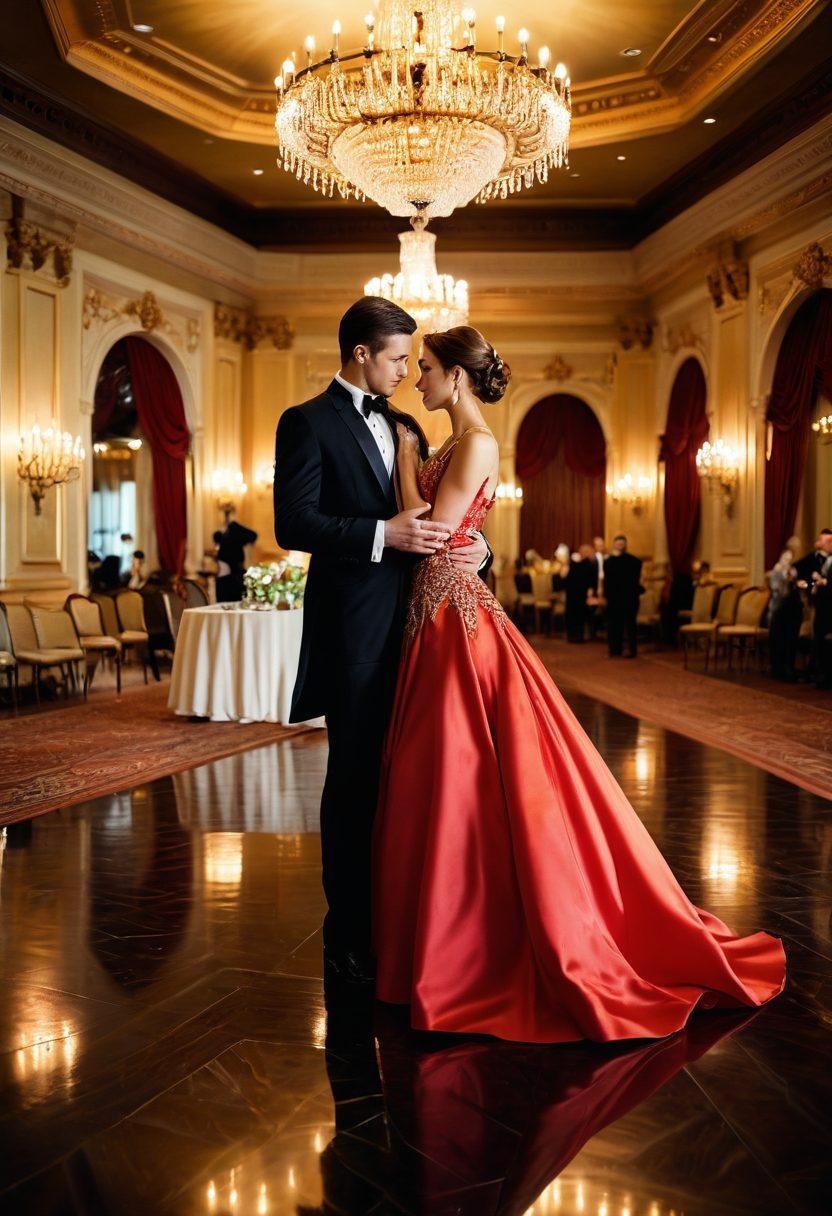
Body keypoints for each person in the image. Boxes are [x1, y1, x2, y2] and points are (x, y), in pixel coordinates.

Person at [373, 324, 785, 1044]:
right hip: (437, 617)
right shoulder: (456, 443)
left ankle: (470, 948)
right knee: (446, 778)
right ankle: (442, 937)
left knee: (467, 774)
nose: (419, 379)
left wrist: (407, 464)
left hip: (454, 623)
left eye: (430, 368)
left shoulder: (469, 444)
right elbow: (459, 534)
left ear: (459, 379)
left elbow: (435, 536)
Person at [274, 298, 490, 984]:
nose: (406, 370)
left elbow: (440, 513)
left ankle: (408, 923)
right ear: (361, 353)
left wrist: (479, 548)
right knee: (355, 780)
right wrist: (379, 535)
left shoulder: (404, 426)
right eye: (398, 357)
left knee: (414, 781)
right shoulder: (305, 423)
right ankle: (348, 934)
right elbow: (293, 522)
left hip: (425, 628)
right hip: (356, 633)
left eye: (412, 361)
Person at [767, 537, 802, 681]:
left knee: (785, 639)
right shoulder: (786, 560)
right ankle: (783, 669)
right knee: (785, 638)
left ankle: (783, 668)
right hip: (783, 605)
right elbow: (781, 583)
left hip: (786, 605)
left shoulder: (792, 562)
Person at [604, 534, 643, 658]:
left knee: (631, 625)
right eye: (618, 543)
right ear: (614, 544)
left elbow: (636, 572)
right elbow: (607, 579)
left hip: (629, 598)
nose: (620, 546)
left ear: (625, 545)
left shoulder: (633, 560)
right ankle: (615, 650)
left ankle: (632, 650)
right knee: (614, 625)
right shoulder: (609, 561)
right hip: (614, 598)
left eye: (622, 543)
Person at [215, 514, 258, 602]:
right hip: (232, 581)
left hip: (229, 581)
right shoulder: (233, 535)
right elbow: (253, 536)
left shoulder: (227, 539)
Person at [563, 543, 597, 642]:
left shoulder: (590, 564)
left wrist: (590, 592)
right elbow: (564, 577)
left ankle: (579, 636)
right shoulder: (572, 563)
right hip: (571, 592)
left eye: (587, 551)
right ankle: (571, 636)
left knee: (580, 615)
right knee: (570, 614)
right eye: (583, 551)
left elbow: (592, 580)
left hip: (582, 593)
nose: (584, 553)